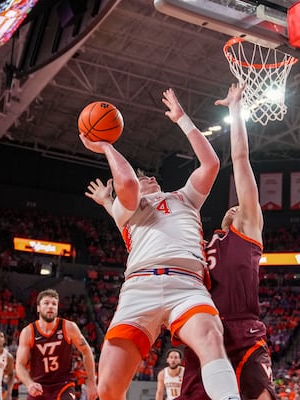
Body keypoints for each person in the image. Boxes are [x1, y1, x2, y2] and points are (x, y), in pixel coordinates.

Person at [82, 88, 240, 400]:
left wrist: (182, 119)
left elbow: (210, 164)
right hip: (141, 287)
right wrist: (104, 146)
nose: (148, 179)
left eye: (151, 177)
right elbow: (125, 183)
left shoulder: (184, 197)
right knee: (109, 388)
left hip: (187, 284)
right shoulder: (127, 208)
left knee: (210, 336)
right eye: (144, 179)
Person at [175, 82, 276, 400]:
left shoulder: (246, 228)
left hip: (242, 327)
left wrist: (235, 109)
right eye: (230, 206)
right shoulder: (201, 242)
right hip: (203, 330)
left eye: (239, 205)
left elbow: (241, 159)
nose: (235, 206)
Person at [15, 289, 98, 400]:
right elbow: (20, 365)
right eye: (46, 303)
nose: (51, 306)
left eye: (54, 304)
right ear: (38, 308)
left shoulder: (68, 327)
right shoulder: (28, 332)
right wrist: (29, 383)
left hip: (63, 384)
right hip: (39, 386)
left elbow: (86, 351)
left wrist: (91, 381)